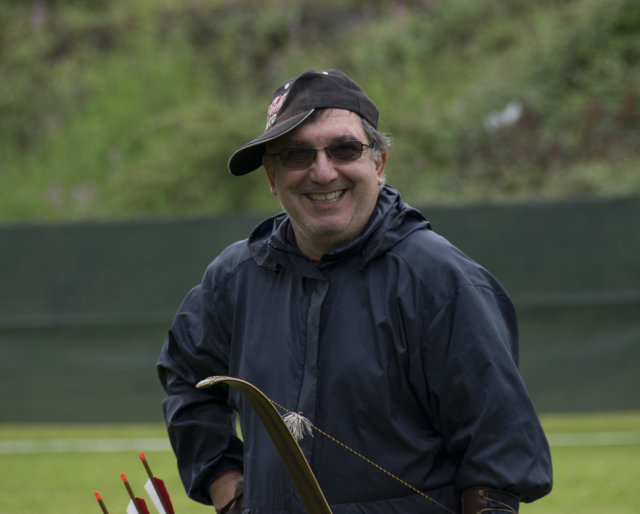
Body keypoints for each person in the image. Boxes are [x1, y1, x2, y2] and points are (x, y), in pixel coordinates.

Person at [157, 69, 552, 513]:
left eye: (344, 149)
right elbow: (188, 378)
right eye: (297, 154)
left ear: (378, 164)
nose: (323, 172)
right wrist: (228, 490)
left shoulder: (442, 281)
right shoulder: (233, 278)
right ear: (271, 174)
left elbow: (497, 461)